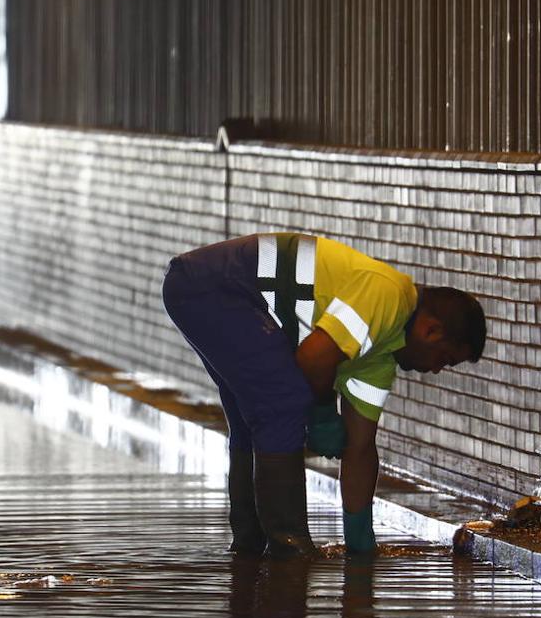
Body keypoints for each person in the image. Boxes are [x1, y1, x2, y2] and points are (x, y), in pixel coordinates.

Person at [161, 233, 486, 558]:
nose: (436, 369)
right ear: (431, 331)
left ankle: (250, 546)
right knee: (282, 404)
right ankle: (289, 550)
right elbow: (313, 358)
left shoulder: (381, 358)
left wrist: (360, 538)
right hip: (216, 287)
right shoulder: (389, 295)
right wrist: (322, 413)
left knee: (258, 417)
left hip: (213, 293)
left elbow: (359, 448)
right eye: (444, 358)